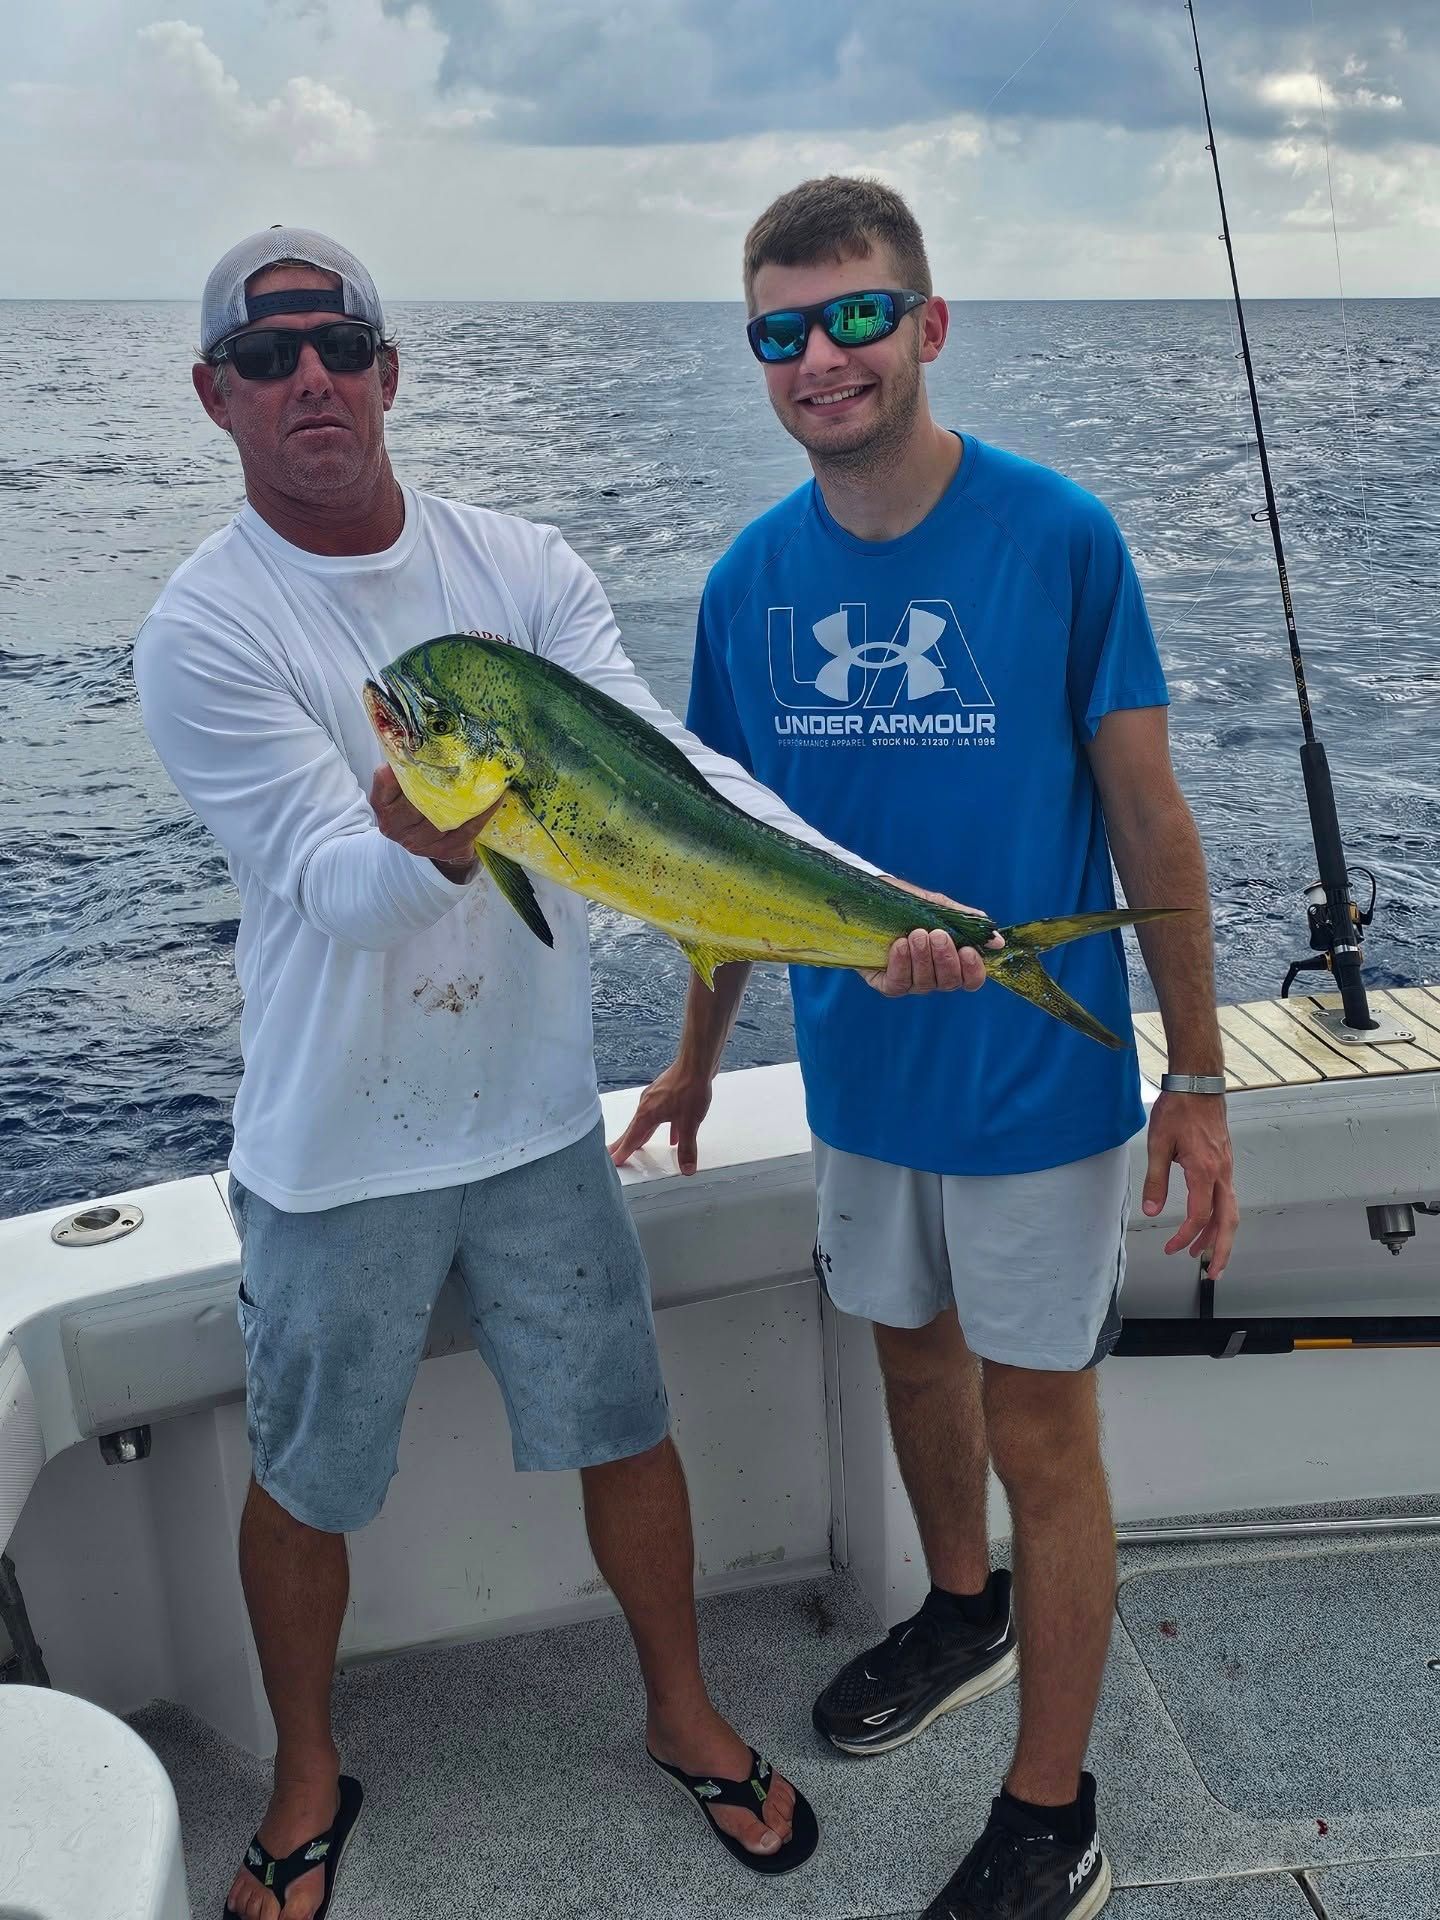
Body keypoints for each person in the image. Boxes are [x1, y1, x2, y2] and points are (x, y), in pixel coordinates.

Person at [131, 224, 990, 1920]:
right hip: (333, 1144)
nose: (310, 378)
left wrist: (882, 903)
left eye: (340, 345)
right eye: (267, 356)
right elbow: (333, 887)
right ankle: (305, 1776)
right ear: (216, 396)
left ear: (390, 371)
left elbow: (682, 785)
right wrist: (444, 836)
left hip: (535, 1122)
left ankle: (682, 1714)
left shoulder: (518, 565)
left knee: (623, 1430)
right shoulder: (205, 629)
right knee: (305, 1484)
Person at [611, 176, 1239, 1920]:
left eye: (858, 315)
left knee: (1045, 1434)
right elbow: (716, 857)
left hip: (1035, 1086)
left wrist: (1197, 1083)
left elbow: (1150, 820)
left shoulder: (1061, 535)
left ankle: (1052, 1813)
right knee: (908, 1356)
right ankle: (963, 1610)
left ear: (929, 325)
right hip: (860, 1078)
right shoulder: (748, 580)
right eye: (783, 330)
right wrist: (692, 1055)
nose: (822, 356)